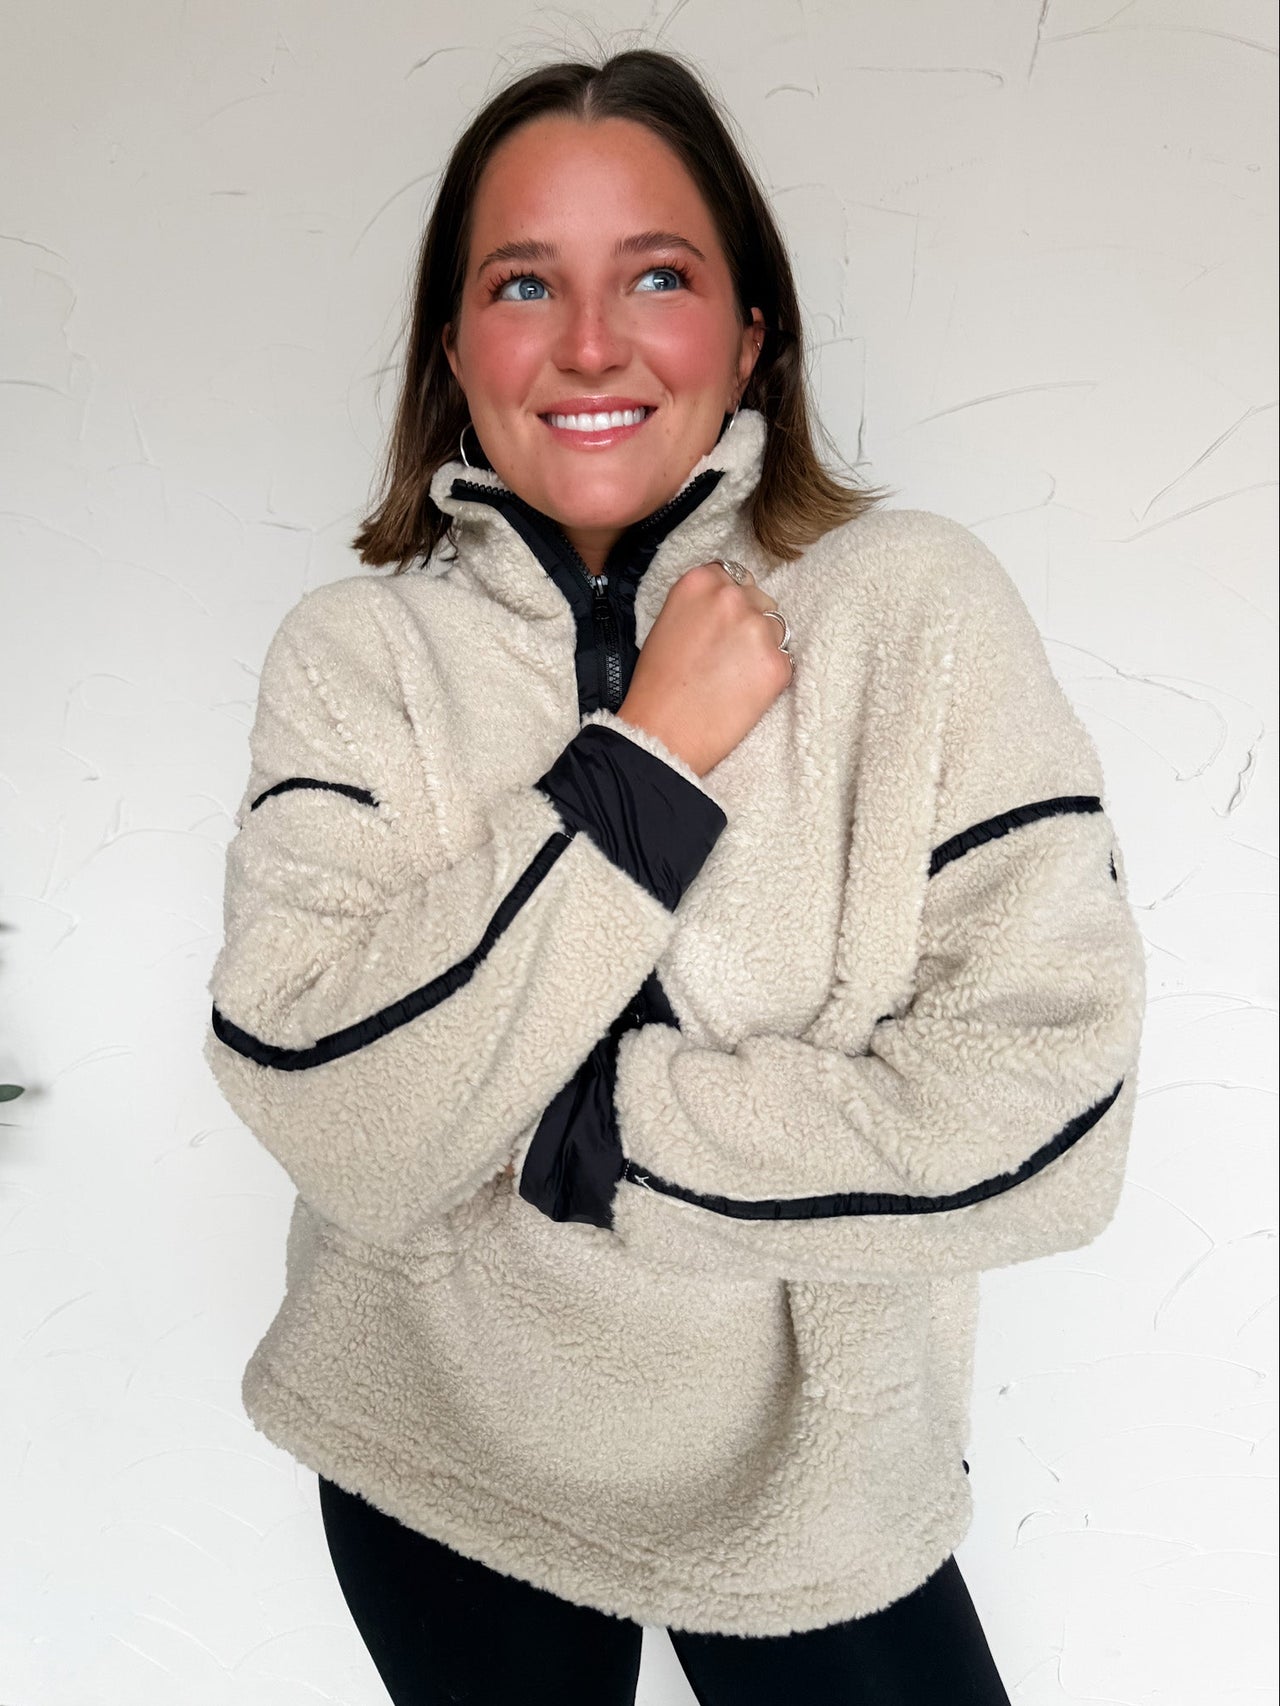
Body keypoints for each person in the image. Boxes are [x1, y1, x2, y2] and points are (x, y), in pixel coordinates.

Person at [203, 45, 1147, 1706]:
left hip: (816, 1485)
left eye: (658, 273)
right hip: (444, 1456)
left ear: (751, 326)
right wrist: (647, 762)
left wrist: (604, 1140)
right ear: (452, 340)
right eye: (521, 283)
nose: (589, 342)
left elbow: (1053, 1095)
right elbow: (325, 1095)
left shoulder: (914, 608)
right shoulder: (358, 657)